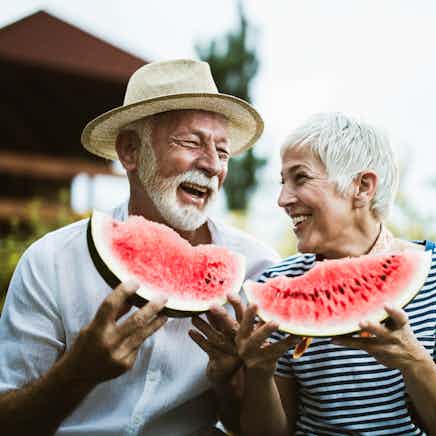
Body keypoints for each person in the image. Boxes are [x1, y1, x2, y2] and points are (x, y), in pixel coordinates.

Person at [0, 59, 279, 435]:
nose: (213, 165)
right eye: (191, 142)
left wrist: (231, 382)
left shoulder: (258, 269)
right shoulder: (53, 262)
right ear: (131, 151)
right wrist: (75, 375)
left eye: (223, 151)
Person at [191, 112, 436, 435]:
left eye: (301, 178)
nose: (283, 199)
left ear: (363, 186)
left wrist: (413, 361)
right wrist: (259, 371)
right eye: (283, 182)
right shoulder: (277, 283)